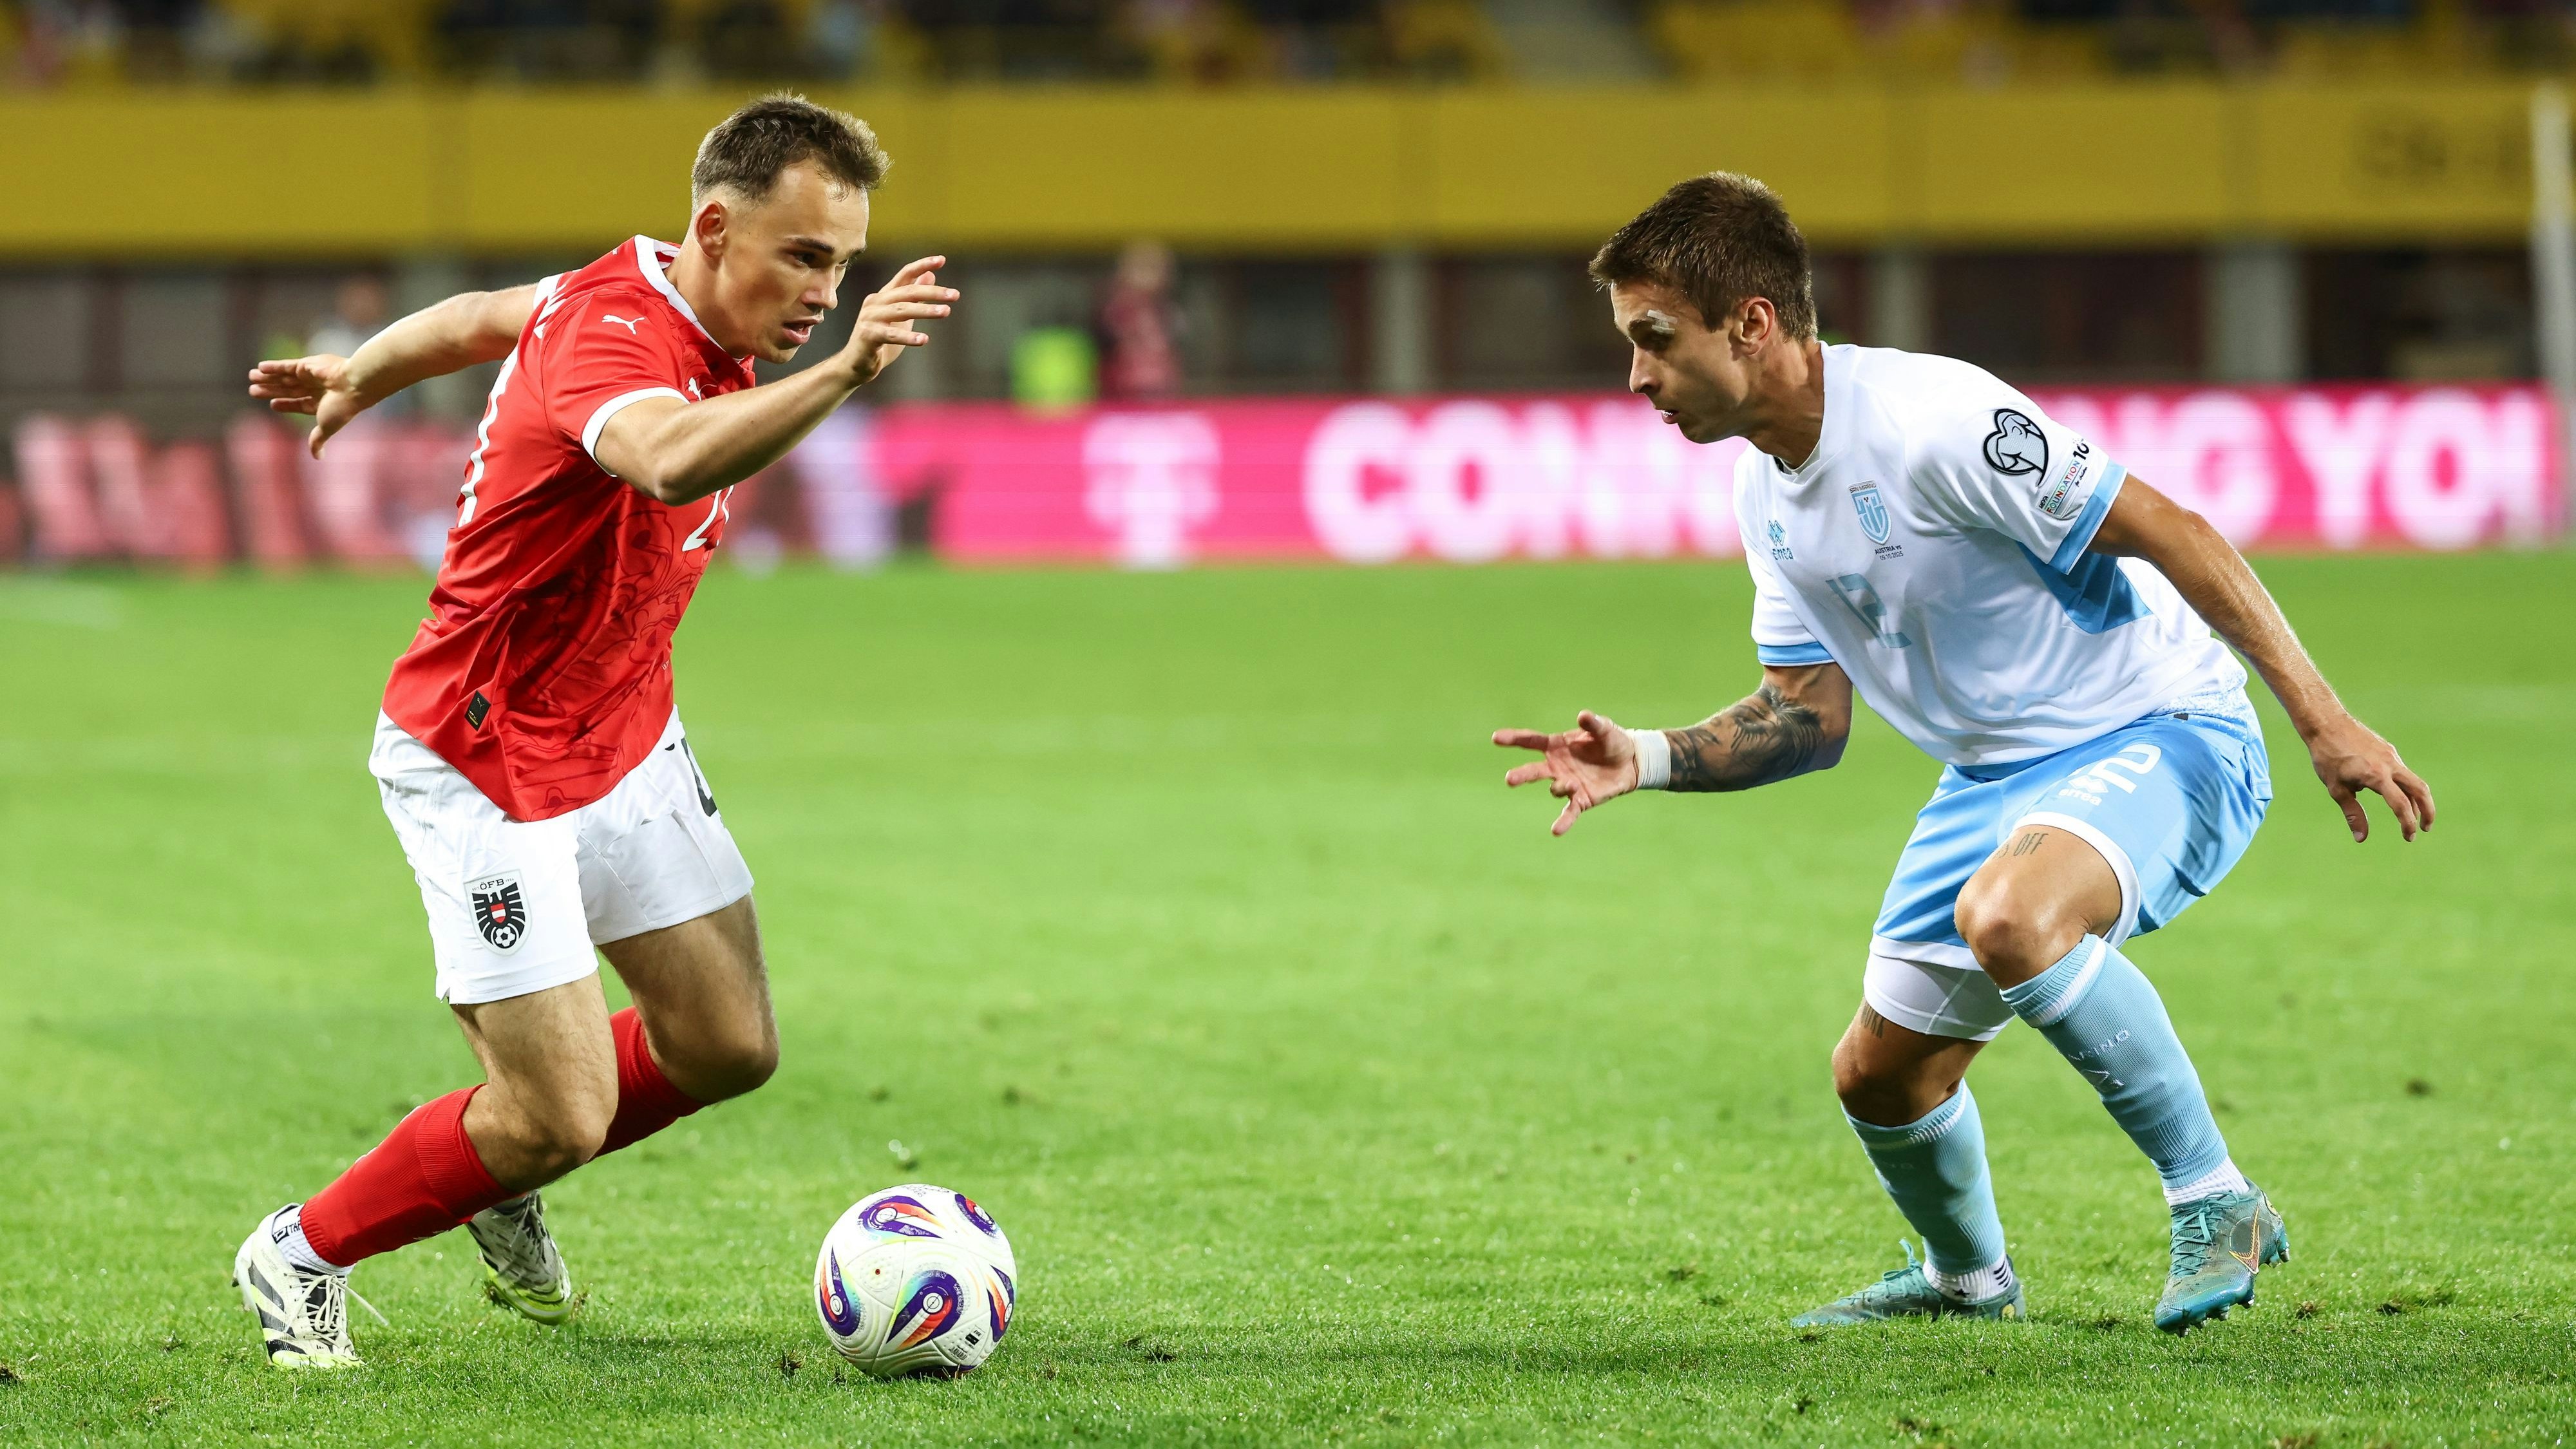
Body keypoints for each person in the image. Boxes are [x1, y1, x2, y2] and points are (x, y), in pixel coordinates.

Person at [1493, 173, 2434, 1334]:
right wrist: (1644, 755)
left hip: (2161, 725)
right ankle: (1967, 1282)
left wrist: (2323, 719)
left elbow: (2176, 530)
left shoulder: (1935, 421)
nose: (1636, 376)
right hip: (1993, 778)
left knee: (2011, 917)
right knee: (1879, 1076)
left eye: (1655, 339)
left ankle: (2217, 1200)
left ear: (1752, 323)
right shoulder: (1763, 491)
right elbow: (1807, 716)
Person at [231, 93, 958, 1368]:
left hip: (624, 736)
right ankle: (301, 1251)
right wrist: (847, 373)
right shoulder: (615, 335)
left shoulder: (644, 293)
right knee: (563, 1117)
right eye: (803, 257)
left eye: (842, 266)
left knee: (727, 1046)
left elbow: (480, 316)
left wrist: (363, 372)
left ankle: (492, 1159)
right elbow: (667, 460)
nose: (823, 294)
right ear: (714, 229)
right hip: (487, 757)